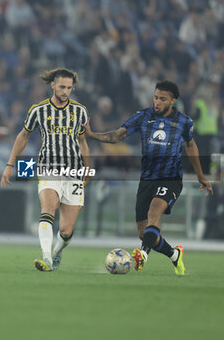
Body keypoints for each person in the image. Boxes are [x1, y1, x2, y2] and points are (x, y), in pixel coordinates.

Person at [83, 80, 213, 276]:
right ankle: (174, 255)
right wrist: (92, 135)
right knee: (145, 233)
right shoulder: (143, 116)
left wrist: (201, 176)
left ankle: (143, 254)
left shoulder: (183, 121)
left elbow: (190, 146)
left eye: (162, 99)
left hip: (170, 179)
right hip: (147, 180)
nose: (157, 102)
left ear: (173, 100)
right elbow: (118, 135)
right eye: (155, 97)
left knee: (155, 211)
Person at [1, 68, 90, 272]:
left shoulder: (80, 111)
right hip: (48, 167)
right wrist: (10, 165)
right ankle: (46, 258)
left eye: (69, 88)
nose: (66, 91)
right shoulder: (38, 110)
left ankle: (57, 252)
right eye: (62, 87)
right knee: (48, 209)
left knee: (66, 230)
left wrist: (87, 168)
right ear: (52, 85)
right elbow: (23, 136)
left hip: (74, 172)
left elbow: (83, 142)